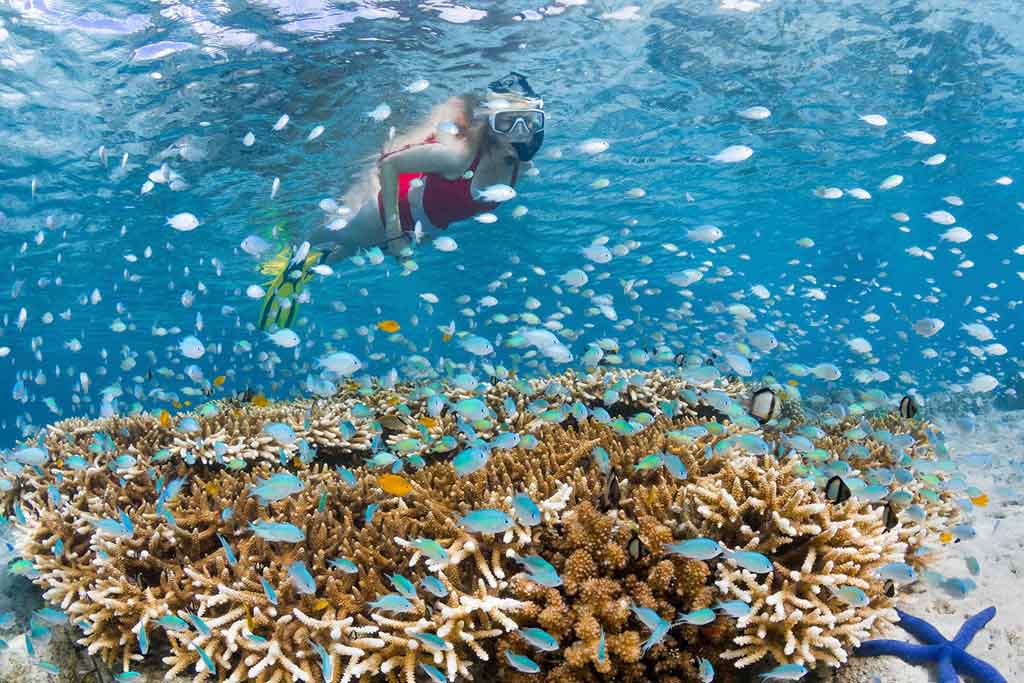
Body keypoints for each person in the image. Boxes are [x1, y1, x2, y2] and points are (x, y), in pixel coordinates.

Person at [257, 72, 545, 330]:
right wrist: (395, 232)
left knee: (343, 255)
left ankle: (301, 266)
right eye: (508, 123)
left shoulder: (521, 166)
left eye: (528, 123)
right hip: (383, 210)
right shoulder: (458, 156)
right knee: (331, 237)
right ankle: (285, 254)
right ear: (492, 125)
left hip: (422, 227)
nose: (520, 133)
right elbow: (390, 165)